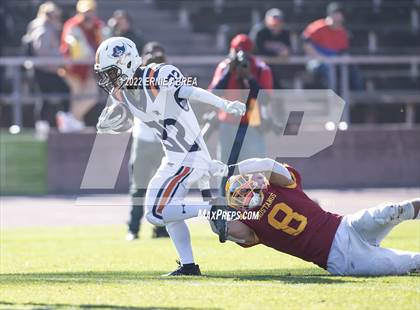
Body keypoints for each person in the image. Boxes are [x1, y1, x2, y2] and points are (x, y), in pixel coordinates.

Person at [94, 37, 246, 275]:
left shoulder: (158, 75)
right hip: (175, 158)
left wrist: (224, 104)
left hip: (189, 157)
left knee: (155, 213)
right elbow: (124, 115)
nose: (109, 79)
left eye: (111, 72)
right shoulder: (123, 93)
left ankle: (213, 209)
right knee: (169, 214)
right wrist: (109, 122)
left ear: (127, 62)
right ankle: (188, 265)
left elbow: (190, 90)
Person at [215, 157, 420, 276]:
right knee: (412, 262)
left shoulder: (281, 185)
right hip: (343, 259)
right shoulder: (249, 224)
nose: (246, 194)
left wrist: (233, 168)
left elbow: (268, 165)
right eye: (239, 195)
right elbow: (226, 230)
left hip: (347, 226)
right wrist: (213, 210)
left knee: (394, 210)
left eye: (245, 188)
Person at [209, 34, 274, 195]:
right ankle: (223, 207)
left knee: (256, 171)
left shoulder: (260, 68)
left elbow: (265, 99)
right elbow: (214, 93)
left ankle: (257, 208)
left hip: (252, 123)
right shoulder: (225, 67)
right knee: (225, 170)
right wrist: (229, 73)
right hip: (228, 123)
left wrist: (250, 78)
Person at [126, 42, 168, 241]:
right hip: (142, 140)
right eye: (149, 57)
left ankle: (161, 228)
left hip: (163, 141)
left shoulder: (169, 78)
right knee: (138, 187)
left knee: (164, 187)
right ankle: (133, 228)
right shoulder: (134, 78)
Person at [22, 1, 70, 130]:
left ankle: (46, 124)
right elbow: (42, 50)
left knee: (46, 97)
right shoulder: (43, 28)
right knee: (62, 92)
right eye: (54, 14)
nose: (57, 17)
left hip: (43, 68)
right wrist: (59, 57)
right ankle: (61, 122)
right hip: (44, 68)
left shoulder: (40, 25)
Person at [59, 0, 104, 131]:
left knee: (91, 96)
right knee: (78, 96)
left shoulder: (98, 25)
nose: (88, 15)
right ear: (79, 12)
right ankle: (74, 123)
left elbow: (104, 41)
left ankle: (70, 119)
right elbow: (80, 49)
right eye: (85, 12)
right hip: (72, 69)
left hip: (88, 70)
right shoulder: (72, 25)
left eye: (90, 12)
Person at [302, 2, 363, 90]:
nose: (338, 17)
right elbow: (305, 42)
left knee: (352, 68)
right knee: (329, 70)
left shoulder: (342, 32)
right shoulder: (318, 26)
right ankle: (334, 99)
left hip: (334, 61)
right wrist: (320, 57)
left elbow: (342, 52)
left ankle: (358, 98)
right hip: (316, 60)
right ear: (330, 14)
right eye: (335, 13)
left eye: (339, 14)